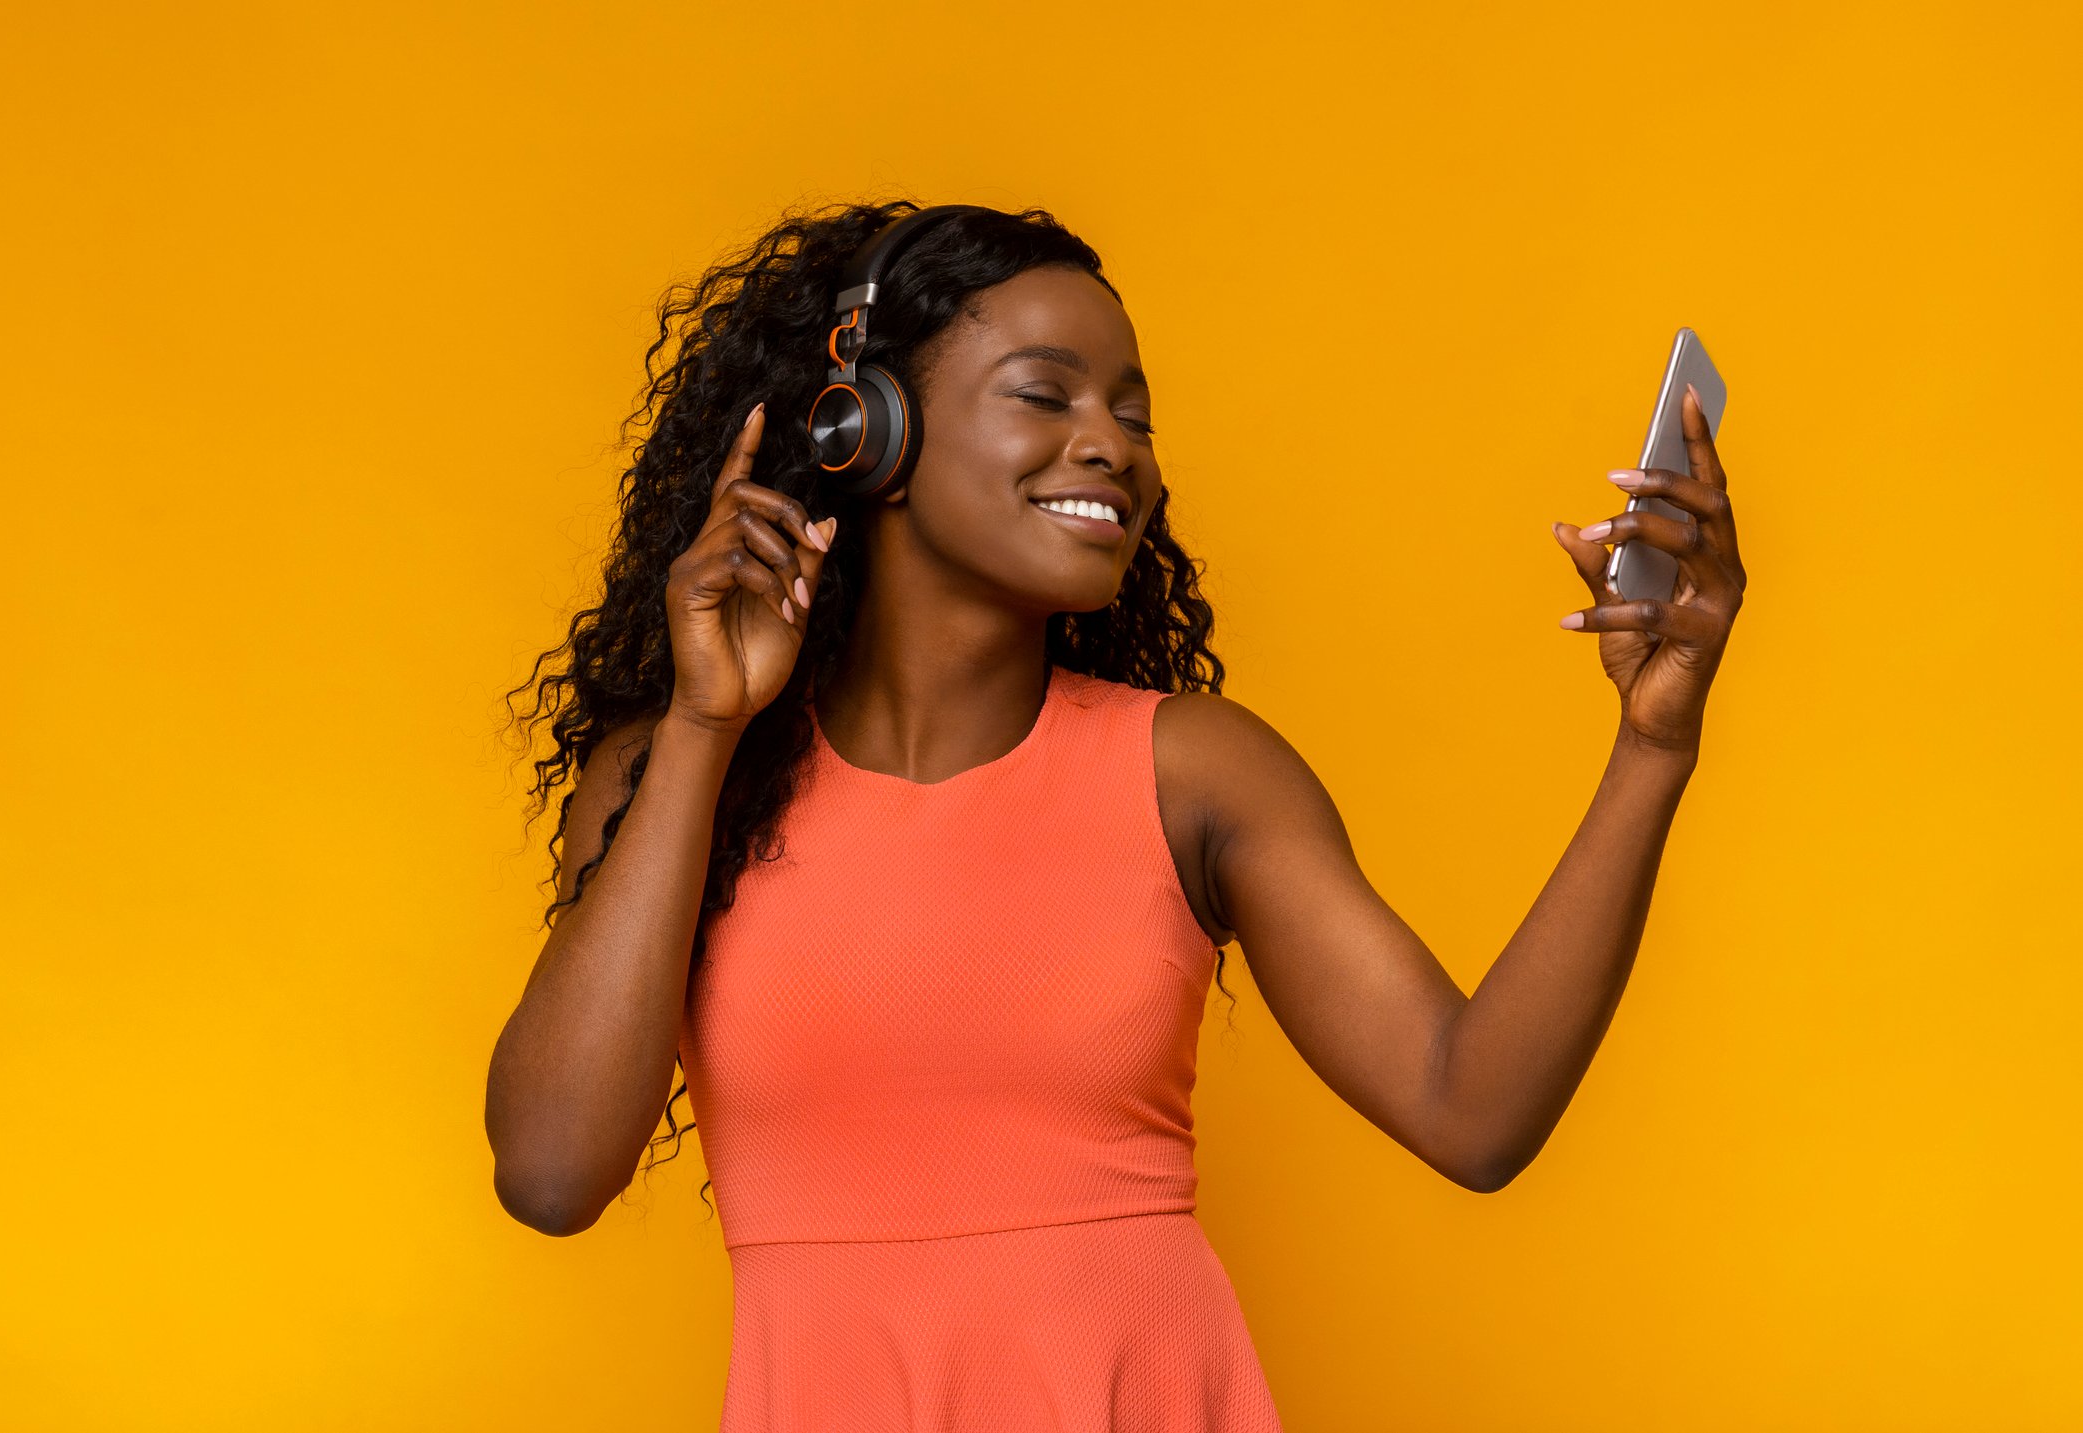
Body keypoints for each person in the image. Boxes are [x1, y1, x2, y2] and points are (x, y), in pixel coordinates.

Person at [485, 200, 1745, 1431]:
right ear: (867, 434)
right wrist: (708, 725)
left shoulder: (1194, 774)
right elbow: (550, 1172)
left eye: (1131, 412)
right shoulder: (681, 773)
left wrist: (1652, 745)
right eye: (1048, 394)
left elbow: (1471, 1108)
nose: (1113, 446)